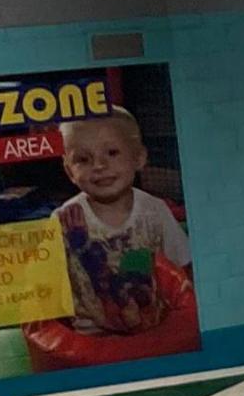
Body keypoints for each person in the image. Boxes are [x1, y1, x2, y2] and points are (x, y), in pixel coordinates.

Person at [50, 108, 189, 336]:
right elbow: (47, 289)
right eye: (83, 159)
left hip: (153, 331)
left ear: (138, 158)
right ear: (69, 171)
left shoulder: (155, 211)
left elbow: (183, 270)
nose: (99, 166)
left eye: (112, 153)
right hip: (91, 338)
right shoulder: (63, 219)